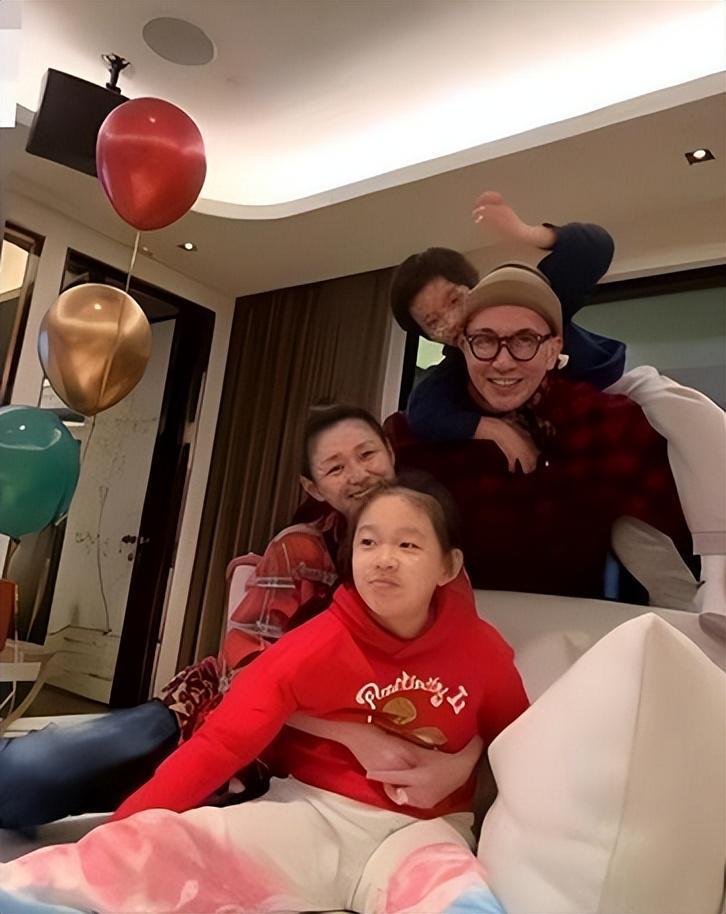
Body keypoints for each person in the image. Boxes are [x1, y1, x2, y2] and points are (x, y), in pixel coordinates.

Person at [0, 477, 528, 914]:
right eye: (368, 543)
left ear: (448, 566)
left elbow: (521, 742)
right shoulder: (314, 644)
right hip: (312, 815)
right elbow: (222, 743)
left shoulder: (483, 652)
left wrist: (465, 759)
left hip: (423, 834)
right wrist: (121, 834)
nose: (384, 559)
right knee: (153, 848)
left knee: (457, 896)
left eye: (408, 545)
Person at [0, 405, 480, 828]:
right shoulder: (300, 550)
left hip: (302, 770)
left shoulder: (436, 566)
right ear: (313, 487)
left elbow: (471, 683)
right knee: (26, 779)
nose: (358, 475)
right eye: (335, 467)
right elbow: (244, 675)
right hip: (209, 719)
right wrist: (355, 734)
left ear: (391, 454)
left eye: (367, 454)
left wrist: (458, 765)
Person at [391, 191, 726, 618]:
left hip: (610, 385)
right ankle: (687, 610)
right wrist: (492, 428)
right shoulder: (454, 374)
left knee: (685, 409)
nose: (452, 322)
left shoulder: (529, 301)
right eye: (433, 322)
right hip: (573, 462)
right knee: (630, 531)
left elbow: (593, 249)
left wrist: (524, 232)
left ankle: (719, 570)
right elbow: (423, 412)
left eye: (455, 302)